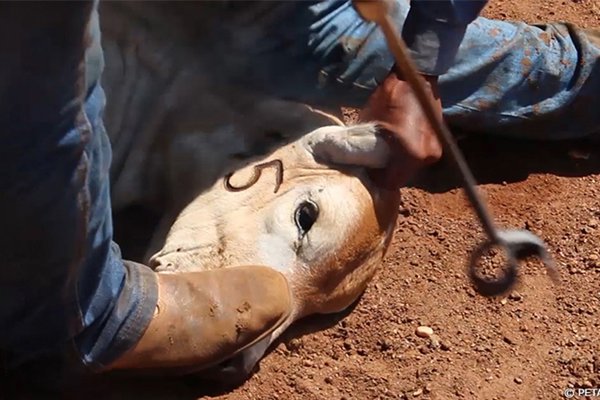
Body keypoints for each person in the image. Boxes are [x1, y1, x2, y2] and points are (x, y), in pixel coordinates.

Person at [0, 0, 598, 384]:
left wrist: (423, 63)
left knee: (539, 77)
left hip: (260, 19)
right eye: (306, 216)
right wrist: (94, 309)